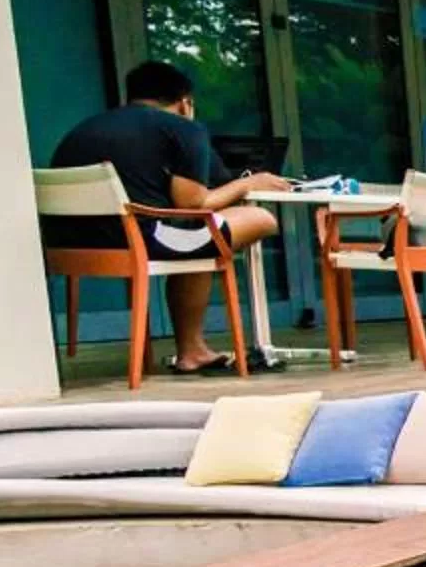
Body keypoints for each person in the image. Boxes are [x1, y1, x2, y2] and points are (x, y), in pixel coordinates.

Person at [48, 61, 290, 375]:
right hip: (140, 238)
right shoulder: (182, 128)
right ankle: (191, 351)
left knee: (201, 231)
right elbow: (192, 203)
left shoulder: (83, 130)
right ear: (185, 103)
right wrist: (246, 183)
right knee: (257, 218)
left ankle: (192, 349)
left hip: (69, 244)